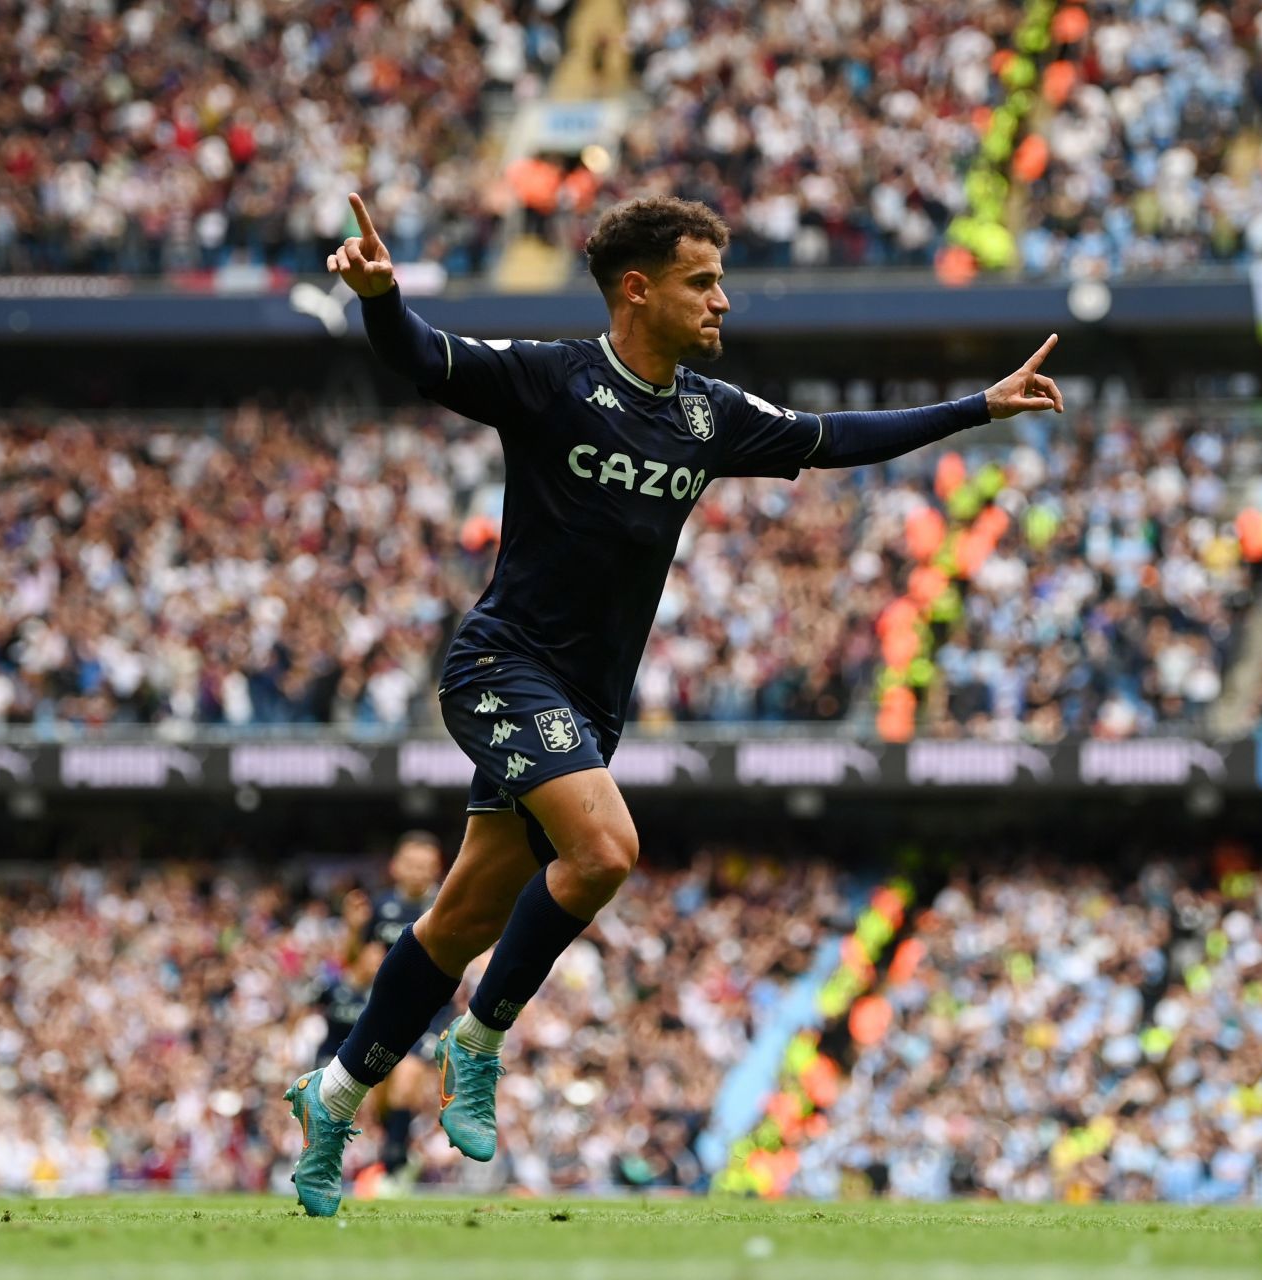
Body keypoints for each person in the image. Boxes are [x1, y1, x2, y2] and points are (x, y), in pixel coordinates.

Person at [283, 193, 1063, 1215]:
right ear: (637, 290)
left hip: (590, 705)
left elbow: (834, 437)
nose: (723, 302)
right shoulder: (553, 378)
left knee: (465, 911)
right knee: (605, 849)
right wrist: (382, 300)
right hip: (500, 669)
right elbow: (428, 359)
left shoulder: (707, 415)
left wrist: (976, 407)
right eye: (703, 281)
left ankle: (333, 1093)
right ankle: (478, 1041)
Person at [309, 832, 444, 1184]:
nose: (417, 872)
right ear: (396, 867)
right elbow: (354, 961)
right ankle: (392, 1149)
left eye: (424, 866)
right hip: (384, 1009)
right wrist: (354, 930)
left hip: (430, 1009)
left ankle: (395, 1159)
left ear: (436, 870)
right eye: (411, 864)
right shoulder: (380, 908)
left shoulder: (446, 906)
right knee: (382, 1094)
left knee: (407, 1076)